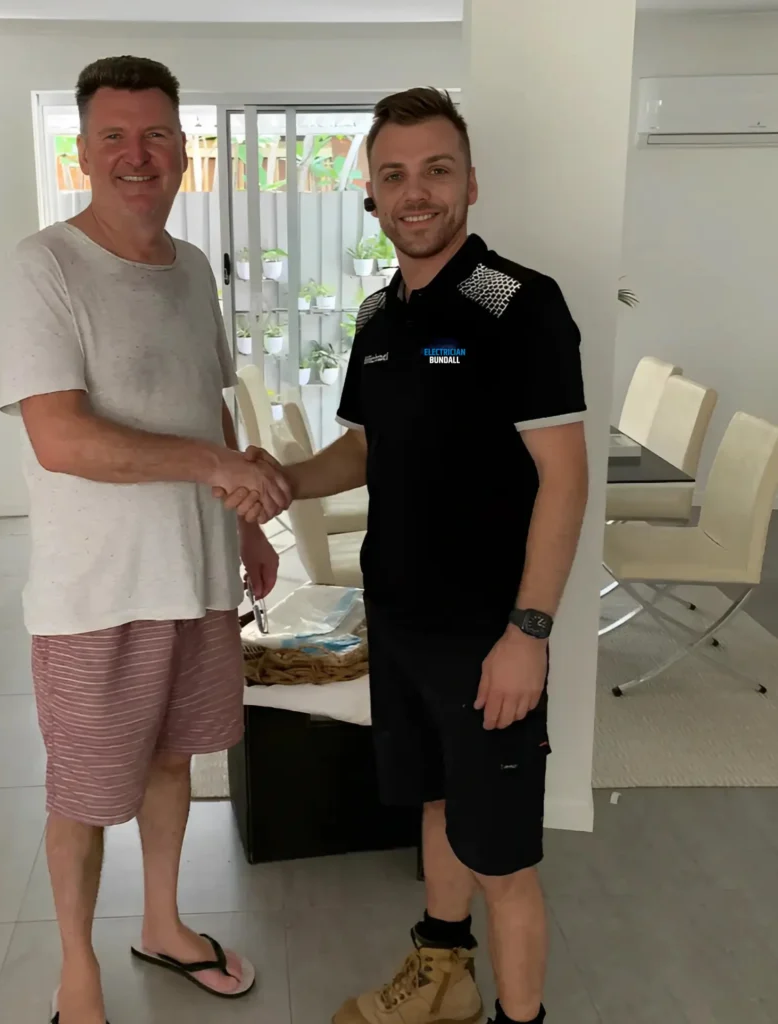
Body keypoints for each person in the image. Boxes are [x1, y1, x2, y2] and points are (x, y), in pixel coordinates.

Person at [238, 88, 589, 1024]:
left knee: (503, 859)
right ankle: (442, 977)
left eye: (437, 170)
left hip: (487, 635)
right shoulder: (378, 315)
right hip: (397, 621)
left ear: (471, 182)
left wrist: (528, 633)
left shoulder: (518, 304)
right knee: (434, 803)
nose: (415, 192)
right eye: (394, 175)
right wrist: (282, 478)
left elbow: (565, 479)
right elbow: (363, 448)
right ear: (372, 194)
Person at [0, 55, 290, 1024]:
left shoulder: (193, 267)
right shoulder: (45, 266)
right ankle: (75, 971)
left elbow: (207, 403)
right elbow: (61, 437)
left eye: (156, 134)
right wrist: (214, 466)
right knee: (84, 794)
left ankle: (163, 923)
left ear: (182, 150)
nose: (137, 155)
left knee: (176, 760)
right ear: (83, 152)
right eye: (114, 136)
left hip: (195, 576)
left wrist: (240, 523)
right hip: (95, 593)